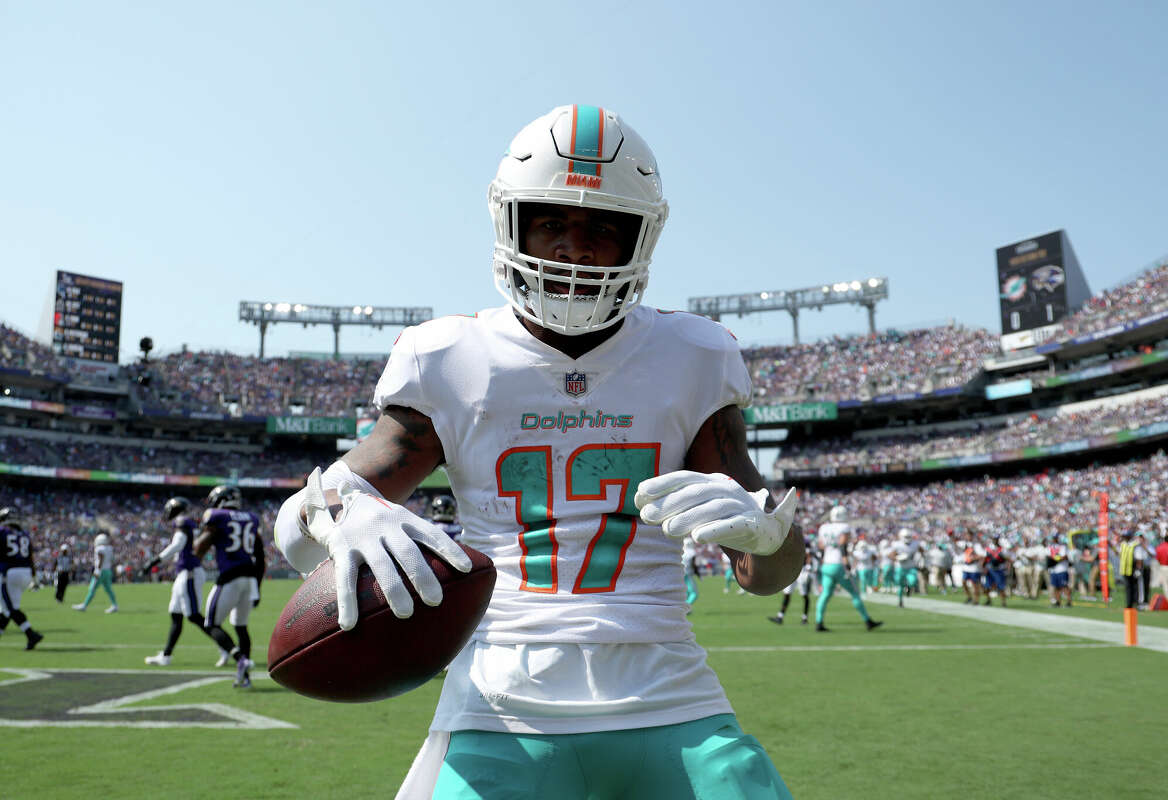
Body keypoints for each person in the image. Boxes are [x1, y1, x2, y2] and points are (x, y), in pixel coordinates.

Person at [273, 105, 804, 798]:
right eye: (552, 221)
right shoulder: (450, 357)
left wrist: (769, 539)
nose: (575, 249)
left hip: (672, 696)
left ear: (640, 239)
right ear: (512, 223)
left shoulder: (693, 356)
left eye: (602, 228)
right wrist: (343, 515)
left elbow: (771, 574)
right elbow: (297, 531)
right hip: (500, 705)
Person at [195, 485, 265, 688]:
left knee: (211, 624)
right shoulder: (251, 518)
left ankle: (239, 658)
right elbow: (260, 558)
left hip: (230, 577)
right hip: (250, 579)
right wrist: (257, 588)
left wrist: (195, 557)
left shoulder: (216, 516)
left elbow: (201, 546)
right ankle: (245, 678)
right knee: (241, 627)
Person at [143, 497, 226, 667]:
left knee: (194, 616)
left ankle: (225, 646)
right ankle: (166, 655)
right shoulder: (187, 522)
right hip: (184, 573)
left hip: (189, 573)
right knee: (176, 614)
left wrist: (154, 561)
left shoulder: (182, 522)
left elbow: (177, 545)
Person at [811, 507, 881, 632]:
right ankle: (867, 621)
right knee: (855, 593)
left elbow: (821, 546)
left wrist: (824, 560)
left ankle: (819, 622)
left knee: (825, 594)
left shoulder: (824, 528)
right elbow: (842, 545)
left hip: (826, 564)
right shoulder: (844, 527)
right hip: (838, 564)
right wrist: (847, 564)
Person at [0, 508, 44, 650]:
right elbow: (31, 557)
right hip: (25, 573)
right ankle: (30, 636)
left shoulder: (3, 532)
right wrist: (34, 577)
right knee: (7, 609)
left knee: (10, 609)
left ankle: (31, 634)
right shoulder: (24, 535)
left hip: (10, 573)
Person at [768, 544, 819, 625]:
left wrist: (808, 565)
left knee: (804, 595)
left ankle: (805, 618)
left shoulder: (803, 541)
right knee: (787, 593)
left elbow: (808, 554)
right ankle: (780, 617)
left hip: (801, 571)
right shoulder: (790, 543)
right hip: (792, 571)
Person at [73, 532, 118, 612]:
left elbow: (101, 559)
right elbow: (112, 560)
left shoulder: (99, 549)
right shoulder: (110, 548)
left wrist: (98, 571)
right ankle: (114, 605)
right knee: (108, 589)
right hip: (108, 571)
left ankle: (84, 605)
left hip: (101, 571)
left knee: (92, 589)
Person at [890, 528, 921, 608]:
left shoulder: (915, 543)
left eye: (908, 536)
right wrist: (898, 558)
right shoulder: (897, 544)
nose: (907, 538)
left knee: (913, 581)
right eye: (905, 537)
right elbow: (890, 555)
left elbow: (922, 551)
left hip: (911, 567)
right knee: (900, 586)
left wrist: (921, 557)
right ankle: (900, 602)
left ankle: (908, 588)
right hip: (901, 567)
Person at [983, 536, 1009, 608]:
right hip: (990, 569)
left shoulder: (1002, 549)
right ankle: (988, 600)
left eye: (996, 539)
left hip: (999, 569)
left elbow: (1007, 558)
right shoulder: (989, 549)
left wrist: (1003, 558)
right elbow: (986, 559)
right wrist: (984, 567)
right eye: (994, 539)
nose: (995, 541)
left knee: (1001, 587)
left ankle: (1003, 602)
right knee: (987, 586)